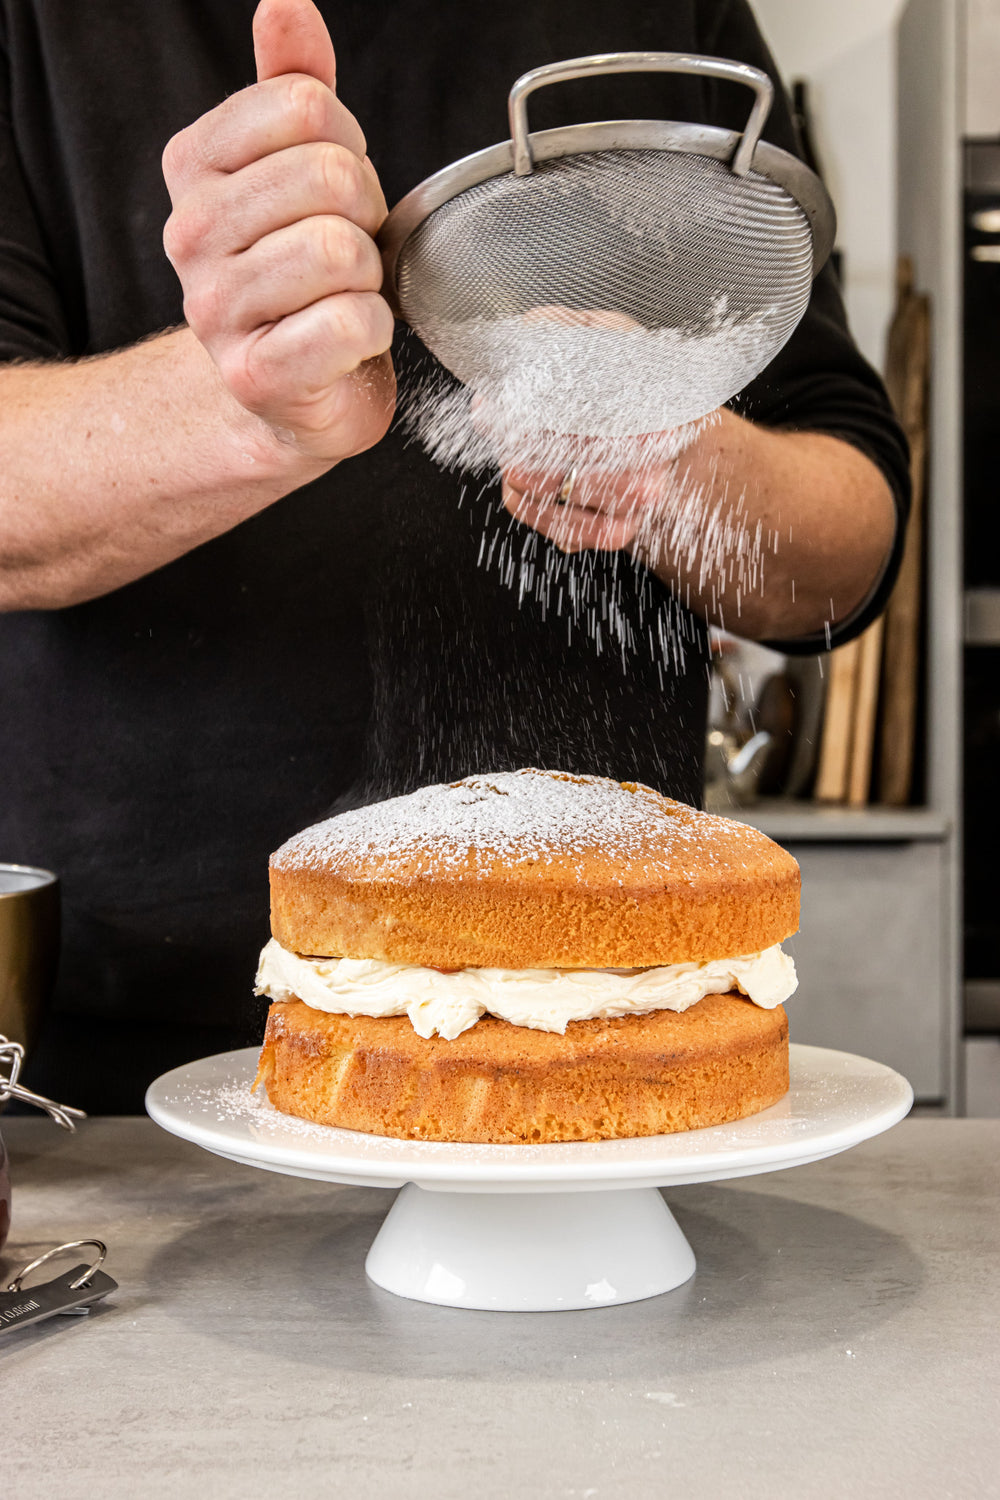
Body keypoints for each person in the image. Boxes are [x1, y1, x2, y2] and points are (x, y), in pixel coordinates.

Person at [0, 0, 908, 1111]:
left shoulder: (667, 11)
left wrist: (672, 455)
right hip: (100, 1062)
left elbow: (849, 552)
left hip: (611, 1022)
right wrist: (249, 413)